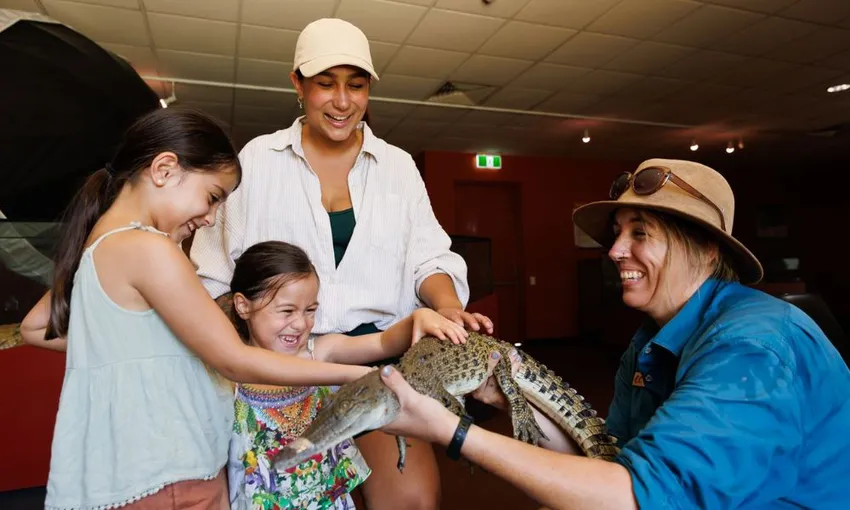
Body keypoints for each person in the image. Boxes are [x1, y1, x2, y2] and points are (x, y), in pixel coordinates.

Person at [372, 158, 850, 509]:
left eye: (640, 233)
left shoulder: (752, 345)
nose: (615, 250)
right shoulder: (647, 343)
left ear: (706, 251)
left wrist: (454, 431)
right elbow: (605, 460)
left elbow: (635, 497)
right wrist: (504, 395)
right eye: (618, 233)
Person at [190, 18, 493, 510]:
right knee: (278, 497)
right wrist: (252, 347)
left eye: (356, 85)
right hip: (278, 368)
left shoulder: (397, 166)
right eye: (325, 84)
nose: (342, 101)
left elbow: (429, 257)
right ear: (298, 84)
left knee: (413, 501)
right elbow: (214, 277)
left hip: (378, 361)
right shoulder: (259, 160)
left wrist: (446, 306)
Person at [19, 108, 380, 510]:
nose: (210, 218)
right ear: (164, 169)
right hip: (174, 478)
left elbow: (34, 328)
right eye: (212, 198)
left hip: (121, 476)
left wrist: (133, 353)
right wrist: (363, 378)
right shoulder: (150, 248)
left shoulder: (99, 244)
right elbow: (236, 360)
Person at [225, 240, 468, 509]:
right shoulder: (229, 377)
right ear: (243, 306)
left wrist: (418, 319)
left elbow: (383, 342)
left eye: (310, 311)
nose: (300, 324)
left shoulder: (319, 352)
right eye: (286, 311)